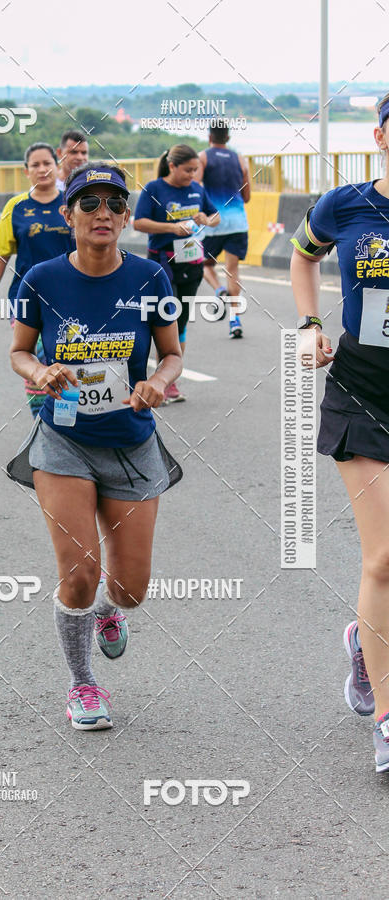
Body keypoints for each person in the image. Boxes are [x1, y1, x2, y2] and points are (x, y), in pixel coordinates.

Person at [7, 162, 183, 729]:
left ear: (126, 217)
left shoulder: (150, 279)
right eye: (90, 204)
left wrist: (157, 381)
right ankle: (82, 686)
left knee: (130, 588)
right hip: (64, 439)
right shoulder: (42, 280)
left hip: (131, 443)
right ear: (69, 215)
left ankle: (111, 613)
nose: (102, 213)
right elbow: (19, 351)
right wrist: (37, 372)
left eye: (114, 204)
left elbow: (173, 353)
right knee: (80, 572)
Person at [290, 91, 389, 773]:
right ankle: (388, 716)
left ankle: (365, 640)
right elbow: (303, 256)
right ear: (381, 136)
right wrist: (310, 323)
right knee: (384, 559)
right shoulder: (346, 204)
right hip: (364, 384)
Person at [0, 142, 74, 416]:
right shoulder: (16, 207)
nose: (42, 169)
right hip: (26, 299)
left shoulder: (71, 202)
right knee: (35, 359)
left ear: (57, 166)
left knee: (66, 359)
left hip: (71, 296)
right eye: (35, 165)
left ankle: (66, 415)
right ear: (26, 172)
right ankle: (41, 418)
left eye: (47, 163)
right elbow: (1, 253)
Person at [133, 144, 220, 403]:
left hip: (191, 263)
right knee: (164, 322)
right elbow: (138, 222)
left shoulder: (197, 189)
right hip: (163, 264)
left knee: (180, 323)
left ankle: (169, 381)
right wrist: (172, 228)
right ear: (172, 166)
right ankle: (155, 378)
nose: (192, 175)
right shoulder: (155, 189)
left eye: (195, 170)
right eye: (187, 170)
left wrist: (206, 218)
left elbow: (215, 215)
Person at [199, 120, 250, 338]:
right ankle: (234, 320)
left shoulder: (203, 157)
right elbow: (247, 196)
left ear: (209, 136)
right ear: (228, 138)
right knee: (233, 270)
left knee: (203, 264)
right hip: (238, 221)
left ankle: (219, 290)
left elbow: (195, 186)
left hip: (214, 222)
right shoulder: (240, 159)